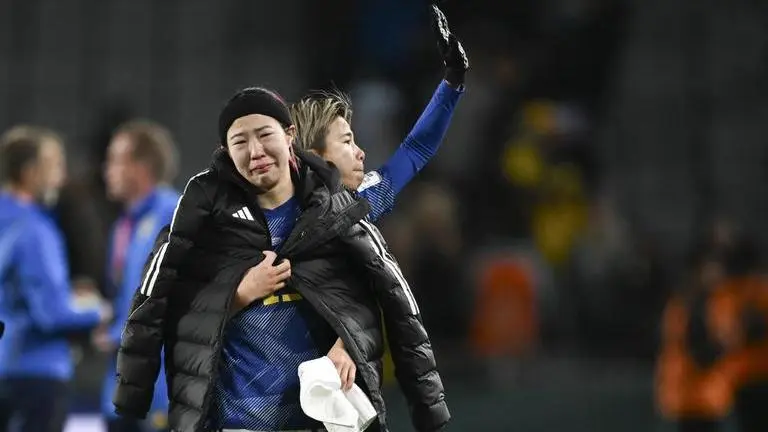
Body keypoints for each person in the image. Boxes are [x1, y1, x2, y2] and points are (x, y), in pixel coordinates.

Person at [113, 86, 448, 432]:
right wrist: (239, 294)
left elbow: (369, 298)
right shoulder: (204, 222)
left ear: (289, 136)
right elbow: (165, 312)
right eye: (240, 141)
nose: (255, 150)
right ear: (226, 151)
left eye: (264, 135)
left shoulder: (338, 212)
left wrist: (348, 343)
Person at [290, 4, 468, 222]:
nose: (361, 152)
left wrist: (452, 81)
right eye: (347, 142)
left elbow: (416, 149)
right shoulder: (274, 226)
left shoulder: (365, 200)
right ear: (315, 157)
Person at [0, 126, 112, 432]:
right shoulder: (35, 229)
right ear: (30, 172)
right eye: (55, 167)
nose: (60, 179)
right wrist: (97, 311)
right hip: (35, 374)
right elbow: (51, 314)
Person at [96, 120, 180, 432]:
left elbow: (177, 295)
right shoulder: (123, 225)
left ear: (141, 166)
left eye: (116, 160)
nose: (107, 169)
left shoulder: (174, 214)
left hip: (157, 386)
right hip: (117, 384)